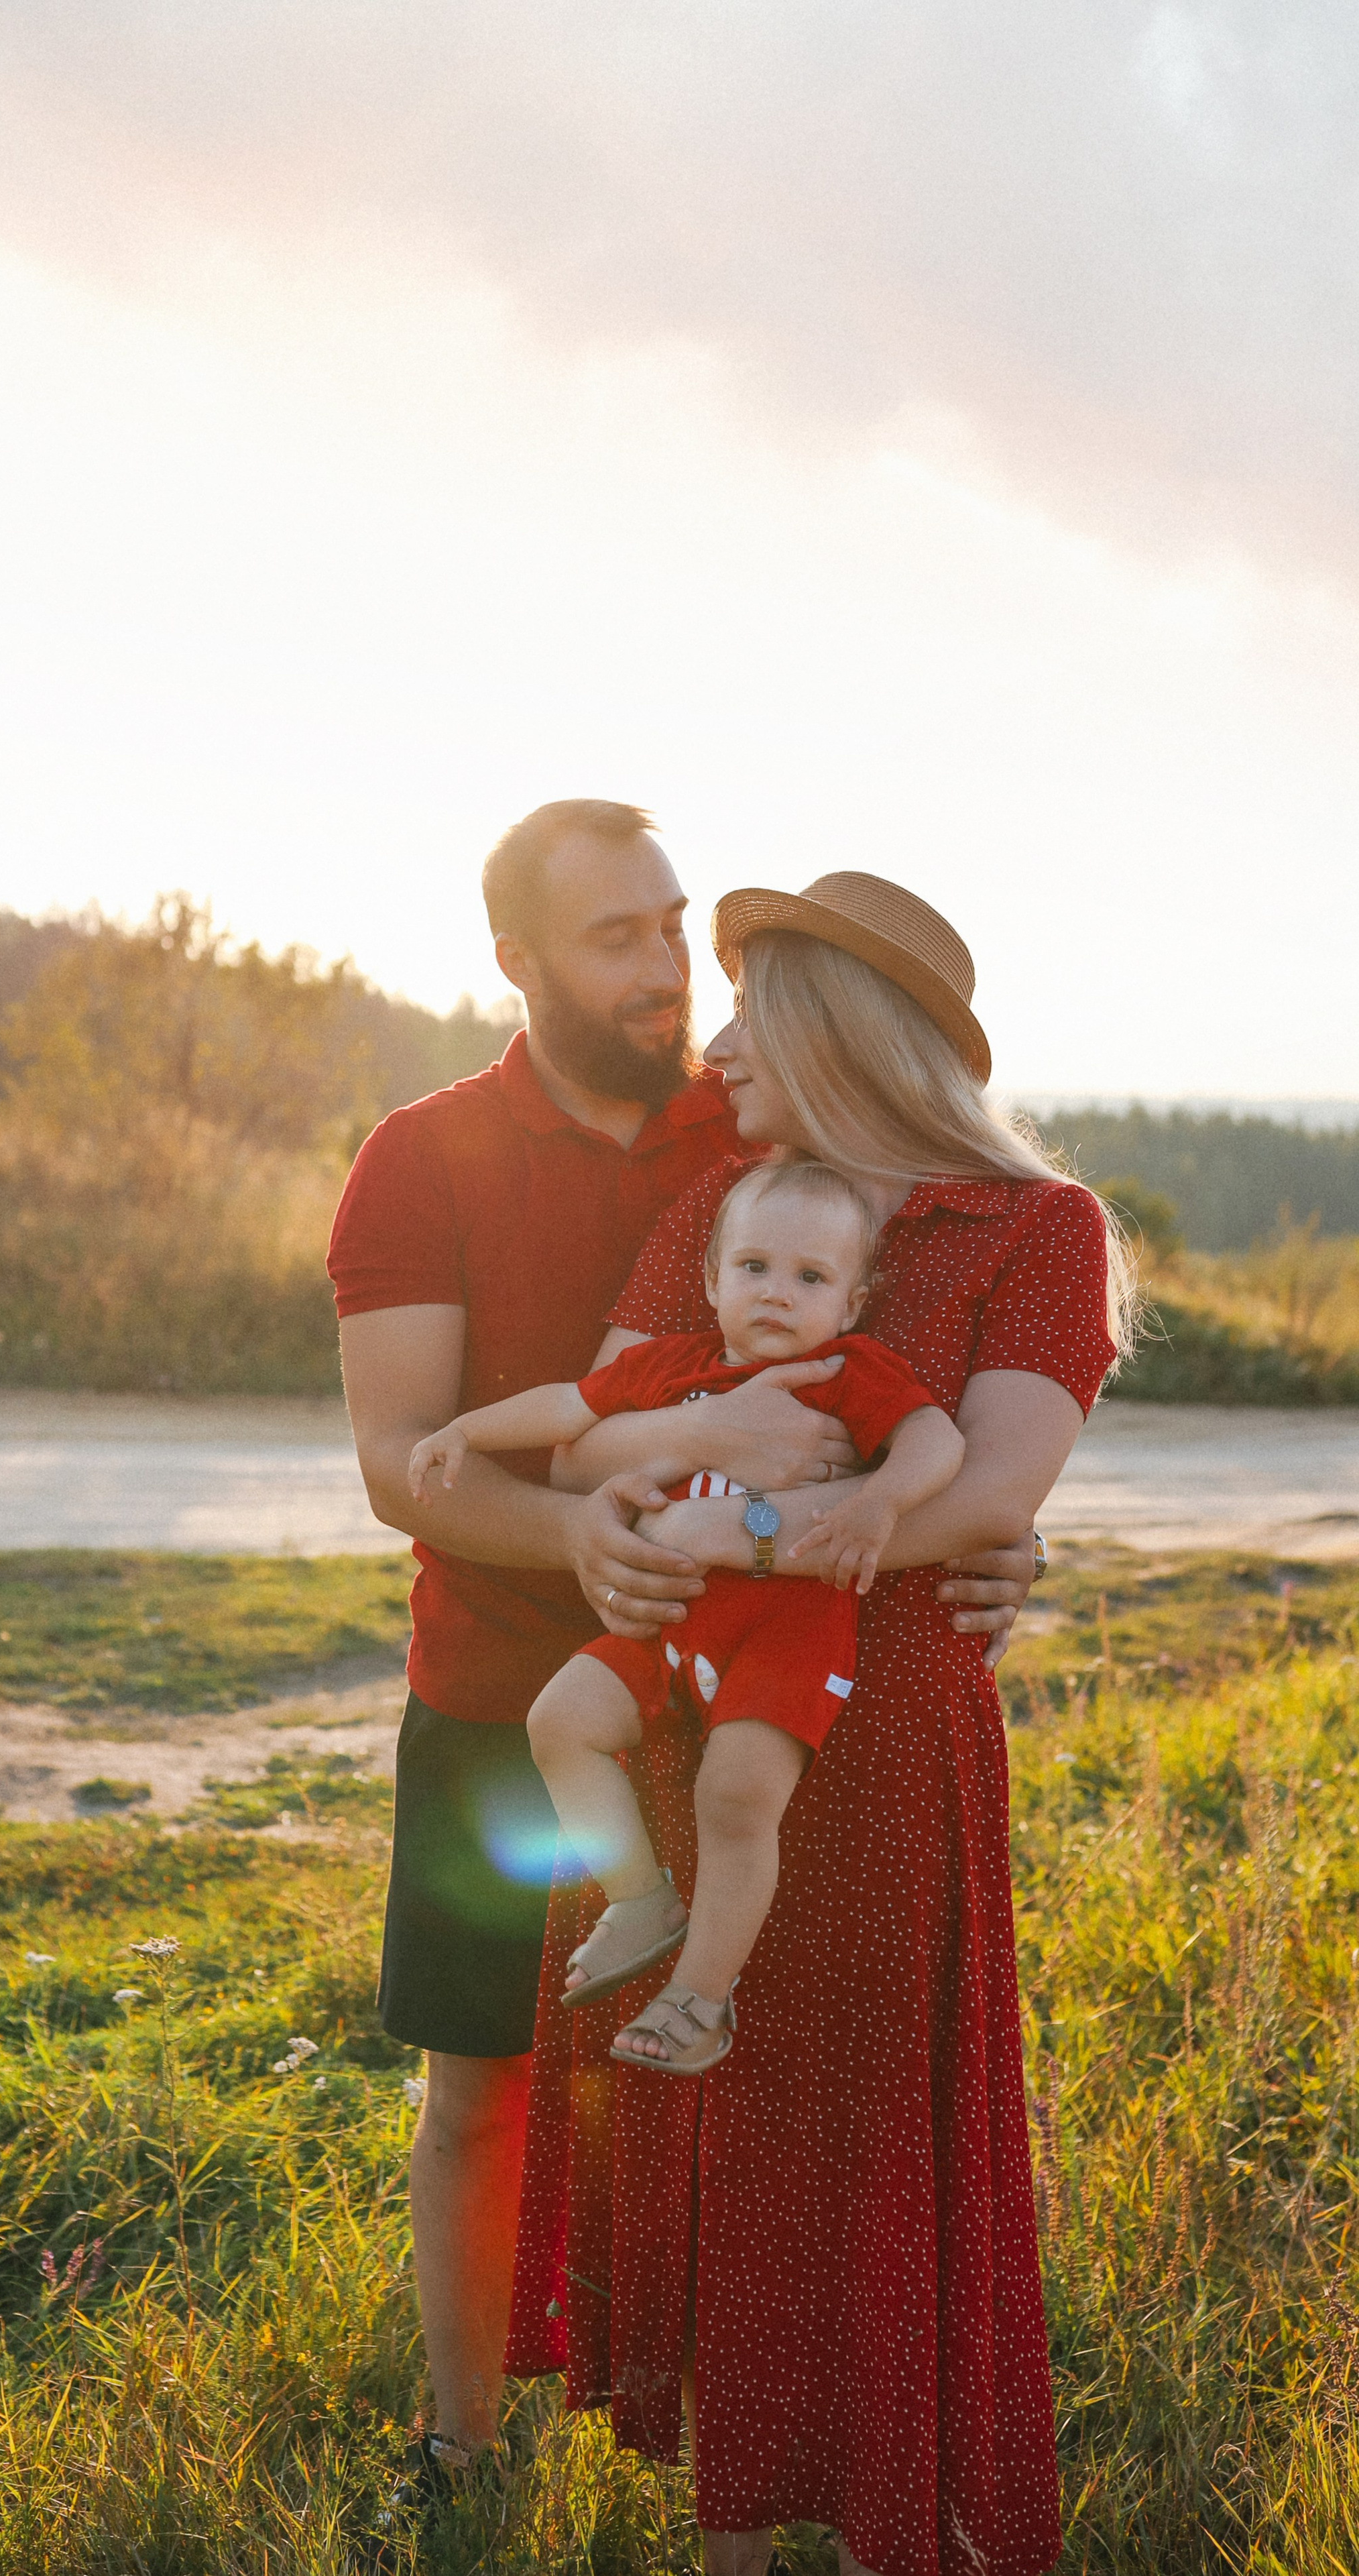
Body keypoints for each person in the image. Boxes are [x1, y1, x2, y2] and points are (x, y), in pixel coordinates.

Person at [327, 811, 1039, 2502]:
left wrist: (983, 1523)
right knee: (482, 2079)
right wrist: (588, 1532)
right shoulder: (419, 1157)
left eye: (670, 932)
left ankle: (731, 2441)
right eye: (618, 943)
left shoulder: (742, 1131)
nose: (666, 979)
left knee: (693, 2094)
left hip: (728, 1685)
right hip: (507, 1681)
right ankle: (461, 2438)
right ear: (515, 964)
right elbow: (397, 1458)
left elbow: (916, 1338)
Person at [506, 871, 1130, 2576]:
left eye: (746, 1012)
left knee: (852, 2139)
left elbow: (992, 1484)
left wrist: (748, 1521)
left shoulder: (1034, 1232)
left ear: (836, 1033)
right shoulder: (722, 1202)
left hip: (880, 1746)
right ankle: (730, 2522)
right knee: (702, 2116)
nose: (711, 1046)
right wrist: (680, 1476)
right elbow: (587, 1441)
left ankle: (877, 2519)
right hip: (679, 1710)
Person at [406, 1156, 965, 2073]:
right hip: (671, 1621)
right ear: (712, 1280)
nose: (777, 1294)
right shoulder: (675, 1369)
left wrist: (881, 1502)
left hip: (787, 1635)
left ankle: (699, 1998)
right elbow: (567, 1409)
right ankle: (640, 1898)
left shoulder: (845, 1370)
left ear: (853, 1302)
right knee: (560, 1722)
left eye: (811, 1277)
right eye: (754, 1268)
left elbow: (934, 1438)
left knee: (736, 1793)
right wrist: (468, 1429)